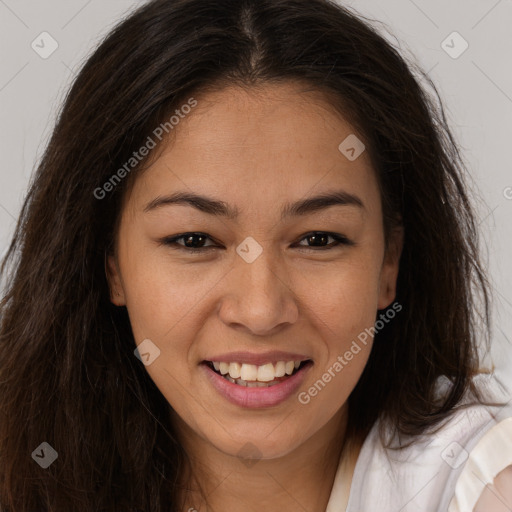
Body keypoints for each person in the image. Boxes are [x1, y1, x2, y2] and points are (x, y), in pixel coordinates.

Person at [0, 0, 511, 511]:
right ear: (111, 263)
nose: (261, 310)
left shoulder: (480, 480)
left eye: (318, 239)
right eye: (195, 241)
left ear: (388, 264)